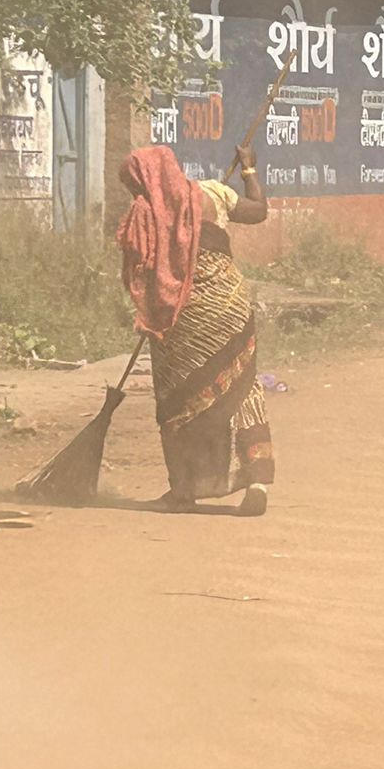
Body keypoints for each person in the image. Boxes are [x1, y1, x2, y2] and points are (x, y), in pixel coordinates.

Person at [117, 144, 274, 515]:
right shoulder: (212, 192)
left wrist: (149, 312)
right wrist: (249, 169)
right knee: (242, 388)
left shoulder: (144, 213)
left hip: (183, 315)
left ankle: (185, 490)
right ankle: (255, 479)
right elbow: (258, 211)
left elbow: (140, 272)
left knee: (179, 400)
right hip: (230, 304)